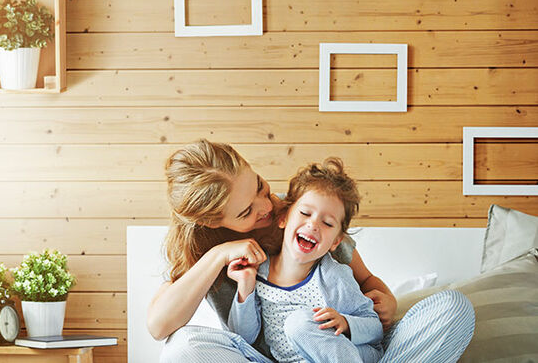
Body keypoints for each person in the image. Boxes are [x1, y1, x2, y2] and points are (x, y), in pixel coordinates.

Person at [148, 139, 475, 363]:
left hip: (342, 351)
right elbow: (160, 327)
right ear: (215, 222)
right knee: (183, 349)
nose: (267, 206)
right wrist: (218, 256)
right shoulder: (207, 251)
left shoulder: (306, 217)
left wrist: (384, 300)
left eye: (260, 186)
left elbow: (368, 287)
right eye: (246, 212)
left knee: (452, 307)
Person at [227, 158, 383, 362]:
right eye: (305, 213)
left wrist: (345, 322)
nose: (313, 225)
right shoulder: (259, 273)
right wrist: (245, 286)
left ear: (335, 241)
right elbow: (243, 337)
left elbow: (375, 327)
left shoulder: (333, 276)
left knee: (299, 323)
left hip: (350, 353)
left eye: (327, 223)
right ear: (283, 218)